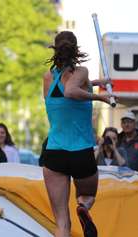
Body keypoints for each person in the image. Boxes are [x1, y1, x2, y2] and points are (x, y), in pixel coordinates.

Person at [42, 31, 111, 237]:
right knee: (87, 195)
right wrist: (101, 98)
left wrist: (97, 83)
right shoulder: (81, 71)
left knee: (61, 223)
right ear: (76, 49)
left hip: (54, 151)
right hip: (80, 150)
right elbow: (71, 91)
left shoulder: (48, 77)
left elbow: (66, 90)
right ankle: (83, 207)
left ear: (55, 49)